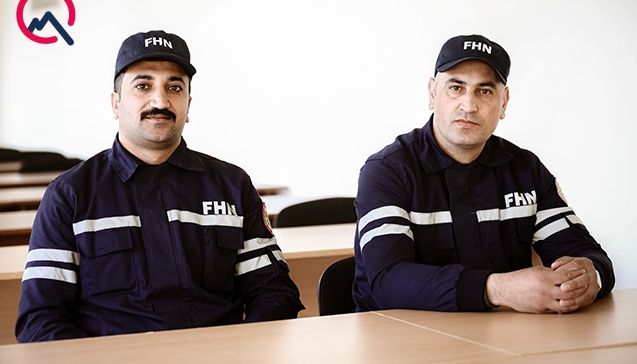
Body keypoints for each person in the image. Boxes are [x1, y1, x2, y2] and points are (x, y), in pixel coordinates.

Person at [16, 30, 303, 342]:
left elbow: (274, 293)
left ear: (188, 105)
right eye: (143, 85)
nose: (160, 101)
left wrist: (241, 353)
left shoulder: (232, 185)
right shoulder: (69, 194)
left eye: (174, 87)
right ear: (116, 103)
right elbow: (40, 319)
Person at [353, 34, 614, 314]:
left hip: (505, 335)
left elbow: (589, 255)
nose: (469, 105)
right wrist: (499, 289)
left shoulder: (526, 170)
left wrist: (591, 277)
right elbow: (387, 281)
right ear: (432, 94)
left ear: (504, 103)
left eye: (485, 91)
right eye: (456, 87)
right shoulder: (387, 171)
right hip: (402, 336)